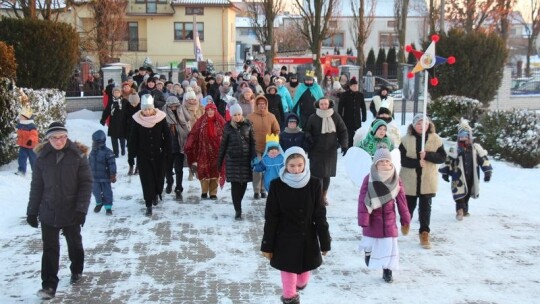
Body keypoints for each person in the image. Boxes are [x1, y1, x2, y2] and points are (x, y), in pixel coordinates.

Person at [26, 122, 93, 300]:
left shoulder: (77, 155)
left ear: (66, 136)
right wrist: (32, 211)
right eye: (54, 138)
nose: (58, 141)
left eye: (62, 137)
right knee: (50, 249)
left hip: (71, 211)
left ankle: (76, 269)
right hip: (48, 211)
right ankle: (49, 285)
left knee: (74, 244)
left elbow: (86, 184)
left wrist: (81, 210)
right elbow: (37, 186)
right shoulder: (42, 157)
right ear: (48, 139)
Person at [260, 146, 331, 304]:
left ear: (305, 164)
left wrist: (325, 241)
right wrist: (267, 245)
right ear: (286, 165)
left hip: (307, 237)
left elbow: (320, 215)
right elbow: (271, 217)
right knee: (288, 270)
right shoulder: (277, 185)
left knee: (303, 276)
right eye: (292, 166)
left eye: (300, 165)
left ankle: (300, 283)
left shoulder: (314, 184)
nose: (296, 169)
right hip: (284, 237)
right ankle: (289, 297)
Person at [357, 148, 411, 283]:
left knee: (389, 248)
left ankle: (388, 271)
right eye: (381, 162)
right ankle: (368, 253)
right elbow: (363, 199)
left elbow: (402, 201)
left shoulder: (396, 179)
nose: (385, 164)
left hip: (389, 220)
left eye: (387, 161)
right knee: (371, 242)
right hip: (373, 219)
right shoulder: (369, 178)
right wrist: (363, 219)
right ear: (375, 164)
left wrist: (406, 219)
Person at [399, 114, 446, 249]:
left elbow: (442, 157)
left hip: (427, 180)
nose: (421, 126)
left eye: (424, 124)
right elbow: (401, 159)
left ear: (428, 125)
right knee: (409, 206)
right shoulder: (406, 140)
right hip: (410, 180)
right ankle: (406, 222)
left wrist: (428, 155)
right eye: (418, 124)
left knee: (425, 208)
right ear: (413, 126)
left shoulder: (435, 139)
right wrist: (416, 163)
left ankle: (424, 233)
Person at [439, 119, 493, 220]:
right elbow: (448, 160)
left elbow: (483, 159)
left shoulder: (475, 148)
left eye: (466, 136)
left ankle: (465, 210)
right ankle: (459, 211)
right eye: (461, 136)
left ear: (470, 136)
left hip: (471, 176)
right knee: (459, 194)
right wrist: (445, 172)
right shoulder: (454, 149)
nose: (463, 139)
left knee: (467, 193)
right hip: (457, 176)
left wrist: (487, 171)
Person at [128, 94, 170, 216]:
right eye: (145, 109)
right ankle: (148, 204)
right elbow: (133, 138)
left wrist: (168, 151)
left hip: (158, 154)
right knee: (146, 180)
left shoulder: (161, 118)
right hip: (143, 155)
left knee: (158, 178)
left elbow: (166, 135)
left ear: (153, 108)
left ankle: (156, 193)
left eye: (149, 109)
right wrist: (131, 156)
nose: (147, 111)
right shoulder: (137, 120)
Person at [304, 97, 348, 206]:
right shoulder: (313, 117)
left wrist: (344, 145)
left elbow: (343, 131)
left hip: (330, 150)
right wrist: (309, 138)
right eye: (322, 104)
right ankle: (317, 196)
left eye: (326, 104)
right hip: (316, 150)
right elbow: (307, 130)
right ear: (318, 105)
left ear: (329, 104)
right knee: (316, 175)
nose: (324, 106)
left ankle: (323, 196)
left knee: (326, 175)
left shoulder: (335, 116)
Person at [218, 103, 257, 220]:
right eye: (234, 115)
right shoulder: (227, 127)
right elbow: (223, 146)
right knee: (235, 185)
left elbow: (252, 143)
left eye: (239, 114)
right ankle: (238, 210)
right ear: (231, 115)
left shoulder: (248, 125)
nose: (237, 117)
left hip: (245, 160)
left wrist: (253, 157)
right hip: (232, 161)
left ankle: (238, 203)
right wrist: (219, 162)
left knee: (244, 185)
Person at [185, 103, 226, 200]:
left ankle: (213, 193)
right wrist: (189, 144)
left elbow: (226, 134)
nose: (210, 112)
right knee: (203, 171)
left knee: (215, 171)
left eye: (212, 110)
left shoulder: (220, 121)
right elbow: (193, 133)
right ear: (206, 111)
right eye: (208, 110)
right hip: (203, 150)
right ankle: (204, 191)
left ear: (215, 110)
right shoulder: (201, 121)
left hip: (217, 151)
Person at [247, 95, 281, 199]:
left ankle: (263, 189)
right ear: (256, 105)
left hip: (269, 149)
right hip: (255, 148)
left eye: (263, 104)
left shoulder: (271, 116)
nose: (262, 106)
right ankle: (256, 190)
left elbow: (277, 130)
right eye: (259, 104)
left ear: (266, 104)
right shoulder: (250, 117)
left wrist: (274, 141)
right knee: (257, 169)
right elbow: (245, 131)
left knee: (267, 169)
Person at [164, 95, 192, 200]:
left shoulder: (182, 113)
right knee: (168, 168)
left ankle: (179, 189)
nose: (173, 108)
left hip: (180, 145)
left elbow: (187, 127)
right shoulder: (163, 115)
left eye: (175, 106)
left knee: (179, 169)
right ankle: (169, 182)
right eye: (171, 106)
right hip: (167, 146)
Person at [89, 130, 117, 215]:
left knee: (107, 192)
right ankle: (99, 203)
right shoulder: (92, 152)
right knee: (95, 191)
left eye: (95, 141)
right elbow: (89, 162)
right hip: (94, 177)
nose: (94, 143)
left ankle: (108, 207)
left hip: (105, 177)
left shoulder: (108, 152)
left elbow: (112, 164)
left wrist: (113, 174)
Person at [338, 76, 367, 148]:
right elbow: (340, 107)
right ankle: (348, 148)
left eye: (356, 86)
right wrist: (340, 117)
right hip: (347, 119)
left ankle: (357, 147)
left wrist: (364, 116)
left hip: (357, 119)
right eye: (353, 86)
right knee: (349, 135)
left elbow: (363, 107)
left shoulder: (360, 95)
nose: (355, 87)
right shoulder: (344, 95)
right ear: (350, 86)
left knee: (358, 134)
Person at [100, 86, 128, 157]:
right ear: (113, 93)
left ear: (120, 93)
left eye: (118, 92)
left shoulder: (124, 101)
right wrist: (103, 119)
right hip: (113, 123)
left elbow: (129, 112)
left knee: (122, 138)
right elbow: (107, 111)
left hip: (122, 122)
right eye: (115, 92)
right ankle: (116, 152)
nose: (116, 93)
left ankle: (123, 150)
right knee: (114, 138)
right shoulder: (111, 101)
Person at [15, 107, 38, 176]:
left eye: (21, 116)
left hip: (31, 146)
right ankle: (21, 170)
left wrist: (30, 140)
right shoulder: (21, 125)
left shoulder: (31, 126)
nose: (20, 117)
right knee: (21, 157)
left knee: (33, 159)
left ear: (26, 117)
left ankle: (36, 172)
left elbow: (34, 135)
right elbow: (20, 134)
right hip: (23, 145)